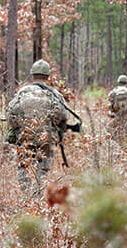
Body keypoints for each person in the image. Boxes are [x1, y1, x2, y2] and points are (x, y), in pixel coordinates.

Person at [5, 60, 78, 196]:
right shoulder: (55, 94)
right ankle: (39, 197)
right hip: (46, 138)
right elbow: (64, 116)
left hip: (24, 137)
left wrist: (18, 130)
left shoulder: (22, 92)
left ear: (32, 75)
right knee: (42, 170)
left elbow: (11, 114)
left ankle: (27, 196)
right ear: (48, 76)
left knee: (23, 166)